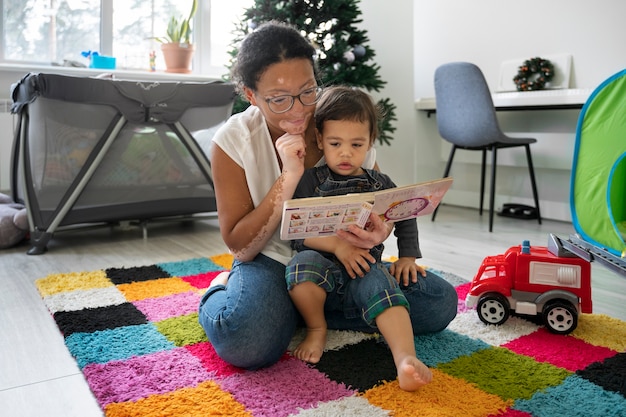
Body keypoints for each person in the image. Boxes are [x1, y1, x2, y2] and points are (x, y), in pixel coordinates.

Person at [198, 20, 457, 372]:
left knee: (440, 303)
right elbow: (242, 247)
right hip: (270, 260)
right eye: (278, 99)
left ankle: (299, 312)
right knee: (245, 341)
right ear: (251, 96)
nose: (298, 110)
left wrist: (380, 232)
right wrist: (289, 177)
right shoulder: (234, 140)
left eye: (308, 91)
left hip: (342, 263)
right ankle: (225, 294)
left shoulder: (339, 126)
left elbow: (377, 200)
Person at [286, 86, 432, 391]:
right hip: (321, 270)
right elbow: (299, 233)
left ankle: (405, 358)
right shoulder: (311, 181)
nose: (345, 153)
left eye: (357, 144)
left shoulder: (379, 183)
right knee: (301, 266)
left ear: (370, 143)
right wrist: (337, 245)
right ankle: (316, 328)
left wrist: (407, 257)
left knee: (384, 285)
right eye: (335, 143)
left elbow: (404, 212)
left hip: (364, 269)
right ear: (319, 140)